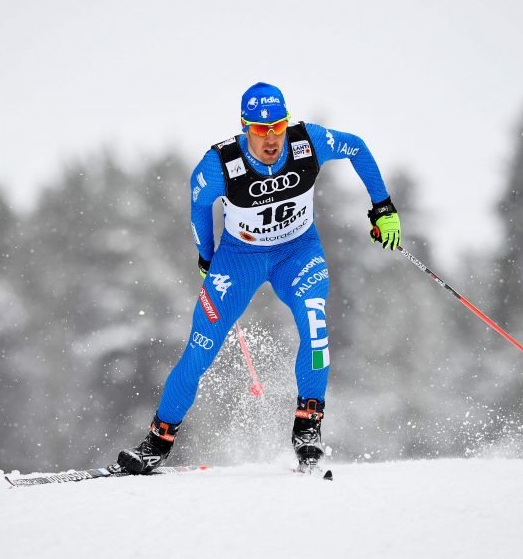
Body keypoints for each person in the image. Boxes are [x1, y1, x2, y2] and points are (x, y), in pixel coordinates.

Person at [117, 82, 400, 473]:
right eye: (259, 129)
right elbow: (198, 204)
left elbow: (356, 147)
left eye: (277, 127)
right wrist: (207, 256)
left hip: (297, 254)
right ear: (244, 126)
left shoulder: (309, 142)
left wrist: (382, 206)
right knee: (200, 350)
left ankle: (308, 427)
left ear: (286, 122)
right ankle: (156, 442)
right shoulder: (219, 164)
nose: (270, 139)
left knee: (315, 327)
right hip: (239, 259)